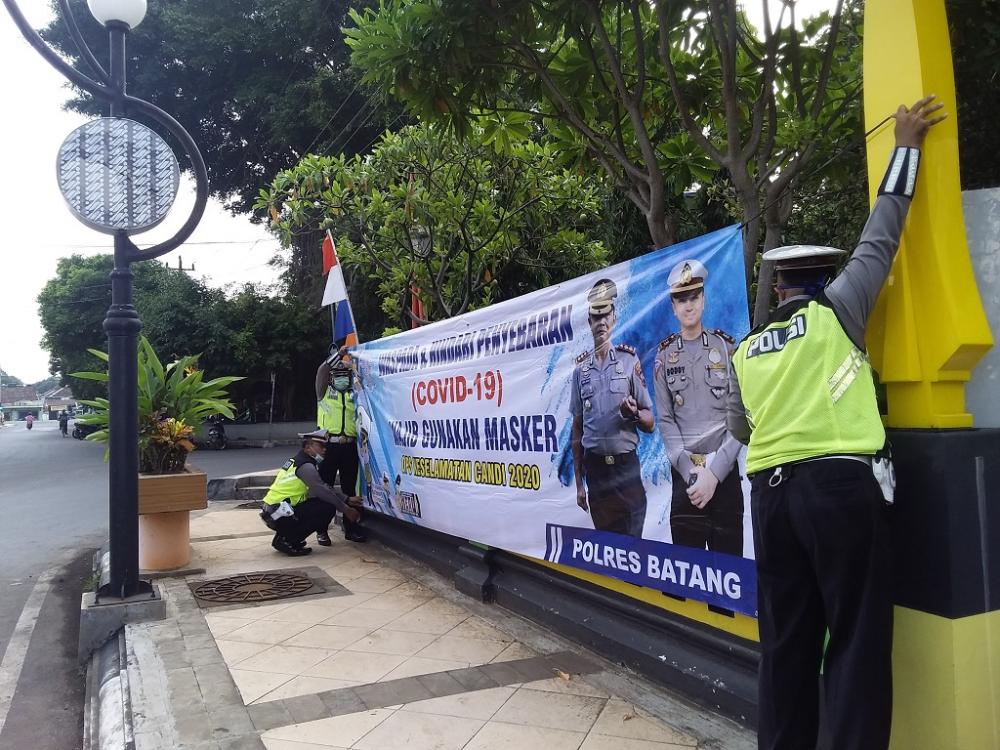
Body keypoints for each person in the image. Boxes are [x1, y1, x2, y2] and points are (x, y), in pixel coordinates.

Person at [726, 96, 945, 750]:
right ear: (826, 276)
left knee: (785, 647)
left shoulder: (746, 350)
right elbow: (884, 229)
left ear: (779, 286)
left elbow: (741, 430)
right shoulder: (841, 309)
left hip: (770, 500)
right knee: (855, 644)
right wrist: (906, 145)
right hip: (841, 494)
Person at [653, 260, 743, 555]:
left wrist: (714, 473)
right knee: (687, 570)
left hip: (724, 475)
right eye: (682, 299)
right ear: (673, 307)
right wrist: (690, 470)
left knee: (728, 572)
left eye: (694, 297)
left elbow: (740, 414)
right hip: (685, 478)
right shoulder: (664, 357)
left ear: (703, 299)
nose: (688, 305)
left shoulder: (726, 348)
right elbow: (665, 419)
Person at [571, 278, 655, 537]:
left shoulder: (629, 361)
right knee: (607, 544)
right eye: (596, 318)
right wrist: (579, 484)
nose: (601, 323)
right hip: (596, 472)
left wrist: (634, 413)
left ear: (614, 319)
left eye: (606, 316)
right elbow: (577, 430)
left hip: (625, 468)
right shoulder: (580, 371)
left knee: (633, 542)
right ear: (589, 322)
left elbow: (650, 422)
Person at [260, 429, 363, 556]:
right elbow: (322, 490)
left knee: (320, 504)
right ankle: (288, 540)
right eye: (321, 446)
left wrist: (346, 499)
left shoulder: (298, 461)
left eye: (325, 446)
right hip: (278, 513)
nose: (324, 450)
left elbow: (322, 487)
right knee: (327, 508)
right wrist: (346, 510)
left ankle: (284, 537)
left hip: (274, 510)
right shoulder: (306, 466)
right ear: (308, 447)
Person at [315, 350, 367, 543]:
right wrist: (339, 354)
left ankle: (351, 528)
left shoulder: (356, 394)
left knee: (350, 489)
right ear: (331, 378)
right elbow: (322, 370)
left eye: (345, 374)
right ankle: (321, 530)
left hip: (350, 447)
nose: (342, 378)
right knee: (325, 488)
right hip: (328, 446)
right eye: (338, 375)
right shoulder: (323, 392)